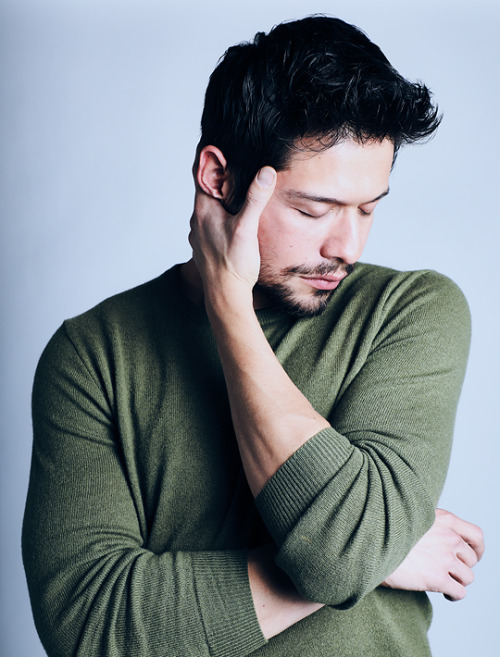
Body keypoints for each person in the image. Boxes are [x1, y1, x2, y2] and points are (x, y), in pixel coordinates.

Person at [22, 15, 484, 657]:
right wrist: (378, 550)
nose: (345, 245)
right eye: (311, 210)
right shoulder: (94, 354)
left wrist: (229, 310)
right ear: (218, 178)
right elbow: (89, 628)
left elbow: (341, 558)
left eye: (370, 208)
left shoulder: (409, 311)